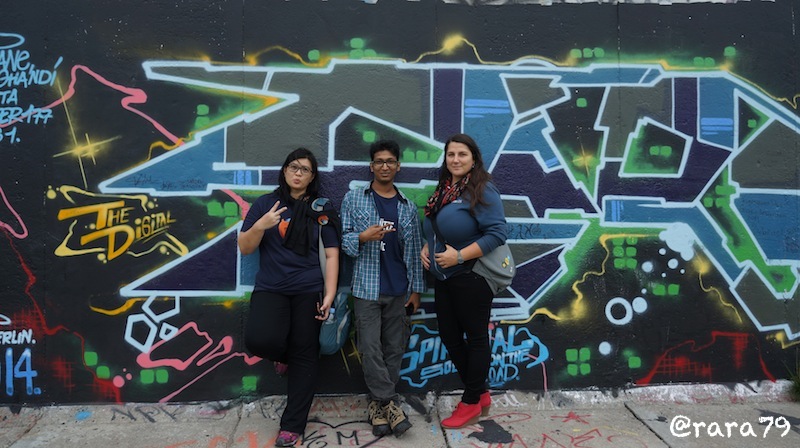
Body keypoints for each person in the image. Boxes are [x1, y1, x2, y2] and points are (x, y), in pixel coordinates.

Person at [238, 148, 341, 448]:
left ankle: (292, 426)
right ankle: (285, 358)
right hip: (271, 288)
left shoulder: (321, 209)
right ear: (284, 171)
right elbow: (245, 248)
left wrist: (330, 294)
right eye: (293, 167)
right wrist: (260, 225)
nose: (298, 173)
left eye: (305, 169)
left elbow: (332, 254)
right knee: (259, 340)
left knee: (306, 355)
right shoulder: (265, 204)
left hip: (308, 289)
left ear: (312, 177)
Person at [420, 134, 507, 429]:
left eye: (462, 154)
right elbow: (435, 226)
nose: (455, 159)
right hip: (444, 277)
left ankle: (470, 402)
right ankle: (480, 392)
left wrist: (458, 257)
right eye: (451, 154)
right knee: (449, 335)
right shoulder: (445, 190)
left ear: (474, 159)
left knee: (476, 337)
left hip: (472, 276)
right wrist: (426, 247)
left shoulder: (482, 189)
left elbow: (497, 234)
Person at [340, 139, 425, 438]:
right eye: (379, 161)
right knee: (369, 348)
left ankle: (378, 408)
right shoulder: (354, 199)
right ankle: (390, 403)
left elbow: (414, 252)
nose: (385, 166)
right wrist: (362, 237)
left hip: (398, 289)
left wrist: (416, 291)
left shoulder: (408, 207)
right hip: (366, 287)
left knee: (394, 348)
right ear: (372, 166)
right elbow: (344, 244)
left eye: (390, 161)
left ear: (398, 165)